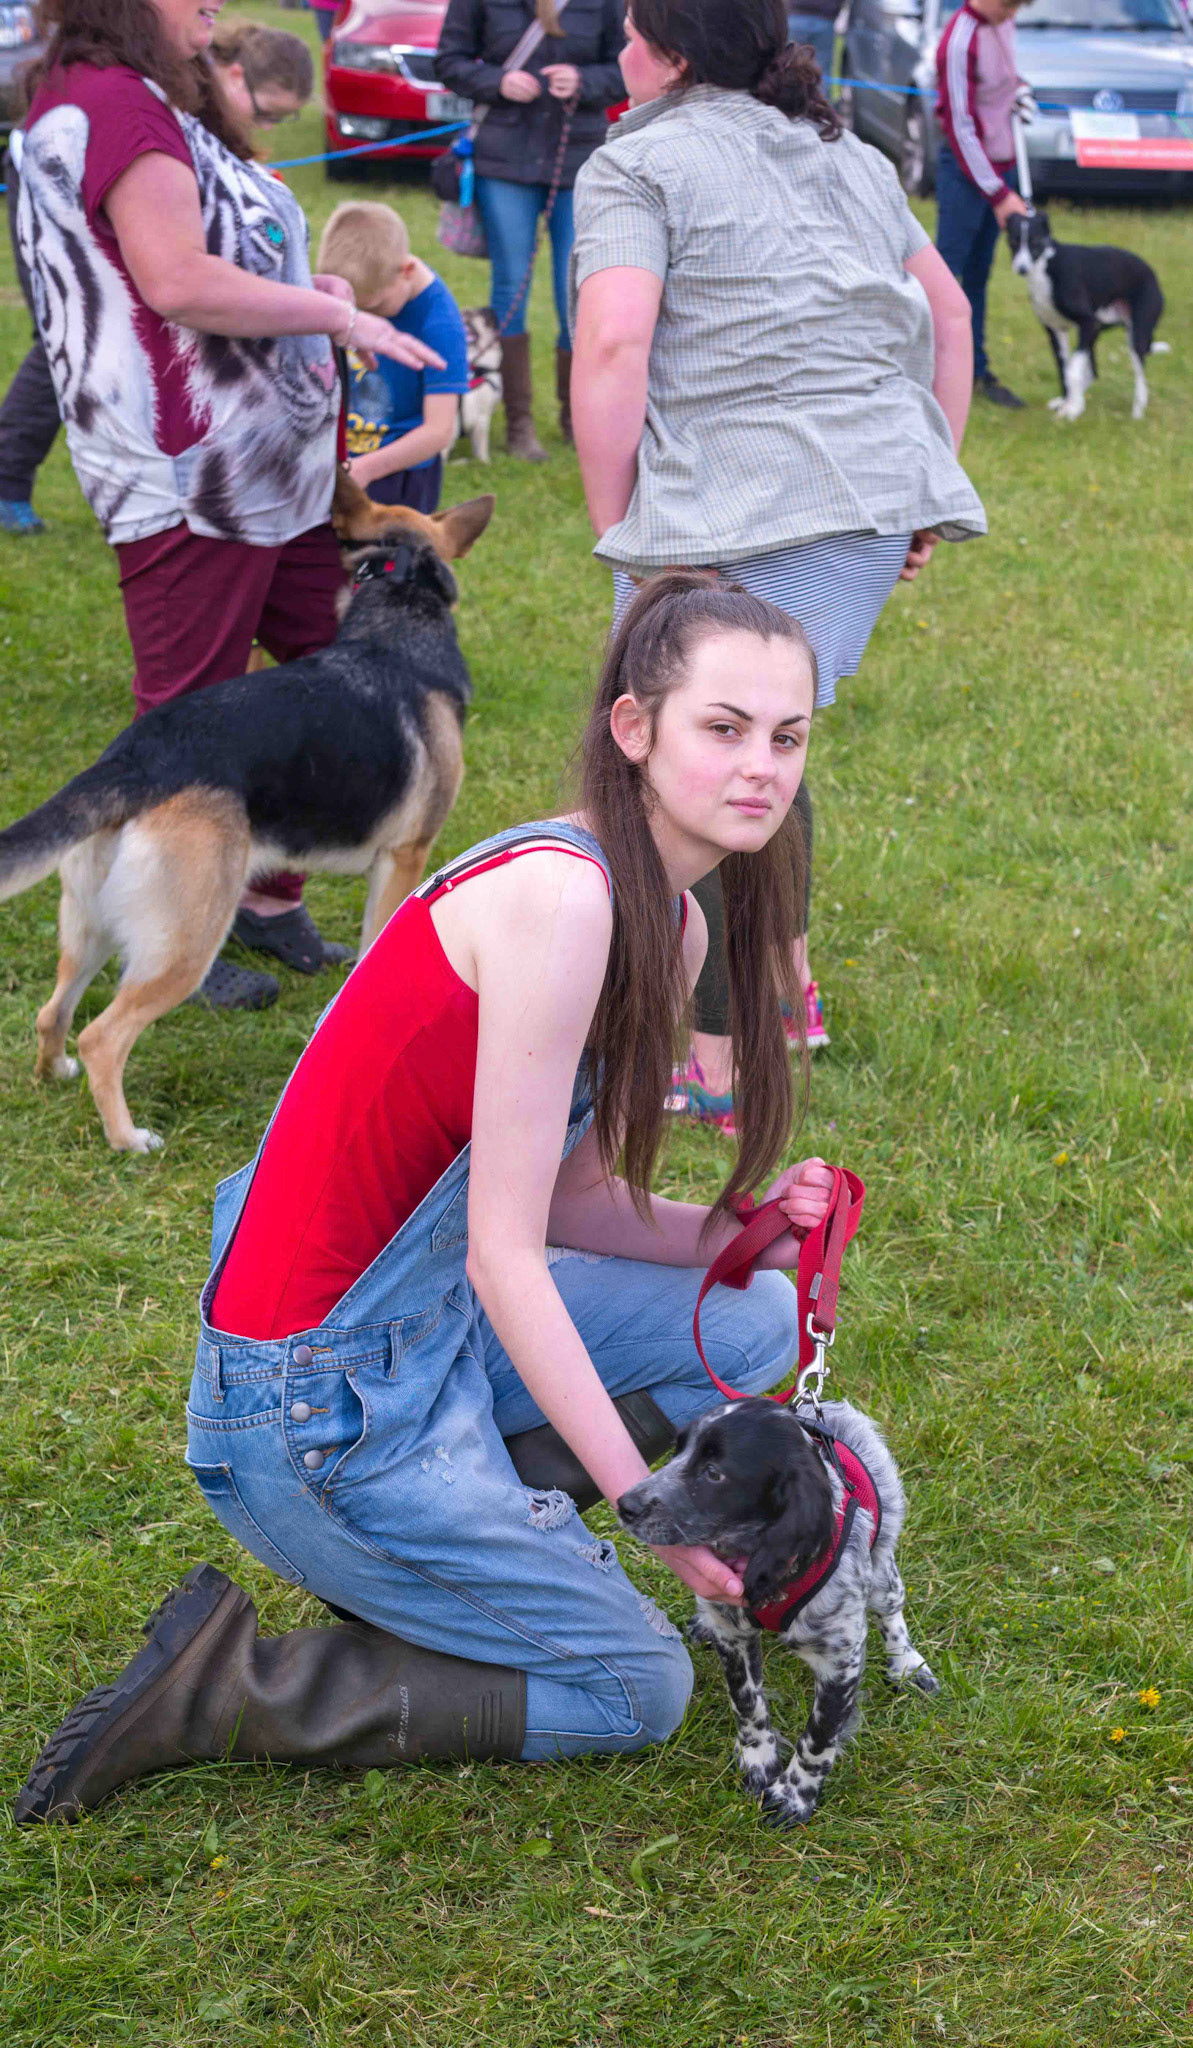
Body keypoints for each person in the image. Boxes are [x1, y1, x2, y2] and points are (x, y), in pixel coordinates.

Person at [15, 573, 839, 1824]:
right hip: (307, 1398)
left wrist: (739, 1231)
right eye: (720, 728)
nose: (759, 767)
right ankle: (234, 1685)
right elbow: (509, 1259)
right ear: (634, 728)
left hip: (419, 1334)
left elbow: (565, 1200)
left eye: (785, 736)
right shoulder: (564, 901)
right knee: (634, 1685)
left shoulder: (662, 918)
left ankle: (457, 1543)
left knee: (751, 1317)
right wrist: (651, 1514)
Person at [570, 0, 985, 1132]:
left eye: (623, 31)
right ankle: (781, 986)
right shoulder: (837, 145)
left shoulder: (638, 160)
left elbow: (612, 344)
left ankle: (714, 1054)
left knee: (690, 762)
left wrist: (616, 523)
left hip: (733, 508)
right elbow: (944, 315)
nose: (613, 52)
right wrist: (919, 487)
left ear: (667, 49)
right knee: (757, 739)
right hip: (860, 501)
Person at [16, 0, 443, 1007]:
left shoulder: (157, 96)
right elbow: (174, 279)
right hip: (191, 474)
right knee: (192, 706)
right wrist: (339, 313)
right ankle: (172, 930)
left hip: (271, 471)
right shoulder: (110, 106)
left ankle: (264, 892)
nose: (212, 1)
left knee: (335, 670)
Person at [0, 16, 315, 539]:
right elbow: (176, 282)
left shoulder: (181, 80)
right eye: (265, 114)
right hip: (55, 178)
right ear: (234, 77)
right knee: (65, 335)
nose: (266, 130)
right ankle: (7, 479)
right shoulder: (146, 89)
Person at [433, 0, 625, 460]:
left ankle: (576, 417)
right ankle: (518, 423)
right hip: (505, 157)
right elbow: (448, 61)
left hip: (579, 159)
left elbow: (627, 66)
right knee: (511, 283)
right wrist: (497, 81)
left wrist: (585, 82)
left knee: (575, 289)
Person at [318, 201, 470, 513]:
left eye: (372, 308)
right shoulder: (360, 293)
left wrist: (367, 469)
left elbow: (439, 431)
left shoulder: (439, 324)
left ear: (407, 272)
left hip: (401, 477)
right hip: (337, 463)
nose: (362, 322)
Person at [935, 0, 1031, 410]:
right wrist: (998, 193)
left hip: (1000, 169)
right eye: (1009, 5)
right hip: (965, 176)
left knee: (977, 277)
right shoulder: (959, 40)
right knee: (944, 280)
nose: (1012, 15)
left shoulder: (1001, 25)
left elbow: (1003, 79)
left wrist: (1021, 91)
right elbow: (959, 124)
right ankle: (926, 373)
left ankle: (973, 371)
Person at [785, 1, 835, 85]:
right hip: (825, 19)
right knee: (822, 68)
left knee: (790, 63)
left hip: (797, 17)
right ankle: (820, 96)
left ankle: (787, 94)